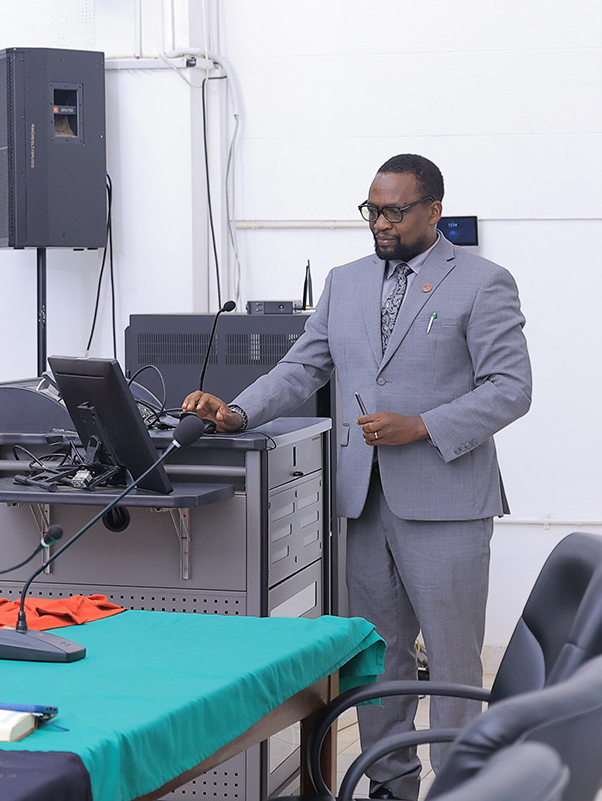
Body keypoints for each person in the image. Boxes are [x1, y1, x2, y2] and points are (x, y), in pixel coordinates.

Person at [184, 154, 530, 801]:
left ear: (434, 211)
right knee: (378, 658)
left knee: (451, 662)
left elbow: (510, 389)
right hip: (364, 503)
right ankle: (390, 787)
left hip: (447, 503)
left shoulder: (483, 282)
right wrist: (236, 413)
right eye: (372, 210)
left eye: (395, 211)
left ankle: (462, 788)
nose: (380, 223)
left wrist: (421, 425)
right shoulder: (344, 283)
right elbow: (301, 368)